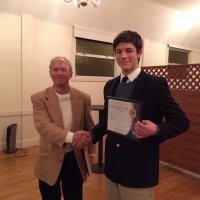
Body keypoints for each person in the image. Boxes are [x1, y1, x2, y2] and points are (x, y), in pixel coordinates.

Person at [89, 30, 190, 200]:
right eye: (119, 52)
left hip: (138, 170)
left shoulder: (156, 85)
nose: (124, 56)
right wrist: (91, 134)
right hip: (112, 168)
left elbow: (182, 121)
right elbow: (108, 121)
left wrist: (157, 129)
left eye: (129, 50)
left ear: (139, 52)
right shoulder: (110, 85)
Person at [31, 56, 95, 200]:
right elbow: (44, 127)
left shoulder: (83, 97)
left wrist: (91, 152)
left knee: (74, 196)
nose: (59, 73)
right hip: (49, 159)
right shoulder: (39, 98)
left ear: (70, 74)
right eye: (55, 69)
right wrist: (73, 137)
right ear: (50, 73)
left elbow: (89, 126)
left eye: (63, 69)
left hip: (75, 159)